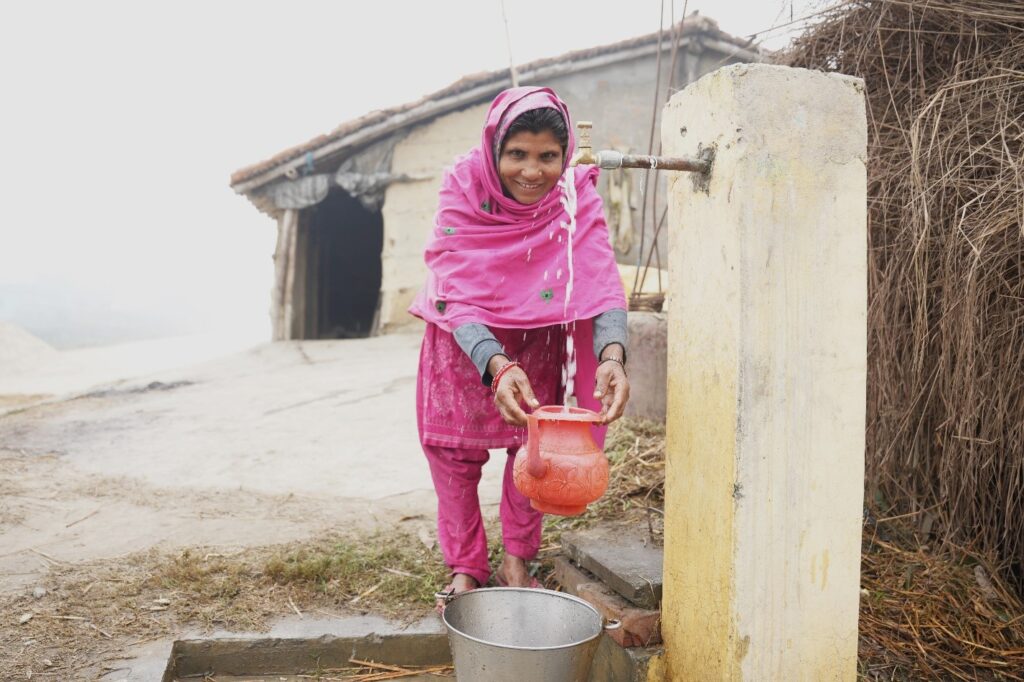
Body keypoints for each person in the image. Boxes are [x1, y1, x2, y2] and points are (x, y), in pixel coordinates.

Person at [408, 86, 630, 605]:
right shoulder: (464, 186)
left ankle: (516, 562)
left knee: (531, 455)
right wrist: (495, 363)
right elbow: (454, 286)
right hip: (462, 343)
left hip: (537, 340)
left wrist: (612, 355)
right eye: (518, 155)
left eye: (548, 156)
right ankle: (466, 569)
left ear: (565, 153)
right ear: (494, 151)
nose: (533, 171)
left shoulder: (575, 195)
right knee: (453, 456)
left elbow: (600, 278)